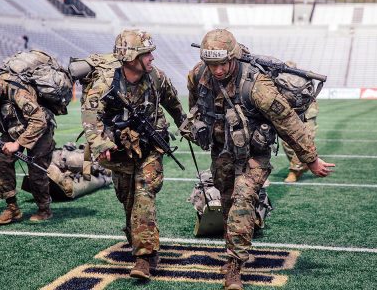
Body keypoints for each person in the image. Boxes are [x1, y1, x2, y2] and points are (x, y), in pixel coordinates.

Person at [183, 29, 334, 290]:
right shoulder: (198, 75)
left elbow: (288, 122)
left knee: (242, 201)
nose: (217, 70)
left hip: (254, 155)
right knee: (228, 202)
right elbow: (197, 105)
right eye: (212, 64)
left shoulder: (256, 85)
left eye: (222, 64)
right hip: (222, 152)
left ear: (232, 58)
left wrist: (311, 159)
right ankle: (239, 241)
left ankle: (234, 267)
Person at [81, 29, 186, 280]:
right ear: (131, 58)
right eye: (146, 53)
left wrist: (187, 126)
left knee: (144, 193)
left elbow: (174, 105)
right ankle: (138, 239)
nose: (152, 57)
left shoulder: (157, 77)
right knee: (127, 200)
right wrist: (100, 144)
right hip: (118, 151)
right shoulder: (106, 83)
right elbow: (89, 116)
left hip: (150, 148)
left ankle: (144, 258)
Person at [0, 58, 59, 224]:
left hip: (40, 130)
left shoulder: (18, 92)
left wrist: (18, 144)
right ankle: (12, 208)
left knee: (36, 169)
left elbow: (39, 121)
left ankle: (44, 209)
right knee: (2, 160)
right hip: (15, 127)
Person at [283, 100, 319, 183]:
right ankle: (303, 163)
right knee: (286, 143)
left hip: (308, 107)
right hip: (289, 107)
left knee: (305, 140)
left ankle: (294, 171)